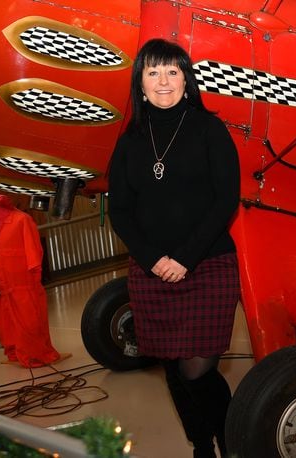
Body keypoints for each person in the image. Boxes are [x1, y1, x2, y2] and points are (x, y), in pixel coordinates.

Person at [107, 38, 241, 458]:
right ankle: (202, 445)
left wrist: (184, 258)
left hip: (209, 263)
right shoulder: (129, 141)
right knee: (172, 367)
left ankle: (232, 440)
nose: (163, 81)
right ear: (140, 82)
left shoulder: (209, 129)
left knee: (196, 369)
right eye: (153, 72)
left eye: (172, 71)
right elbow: (121, 212)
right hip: (151, 272)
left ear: (186, 77)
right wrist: (155, 260)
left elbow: (226, 199)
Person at [0, 194, 69, 368]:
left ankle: (25, 353)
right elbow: (34, 255)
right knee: (22, 322)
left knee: (15, 321)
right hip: (12, 286)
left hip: (11, 285)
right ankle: (31, 355)